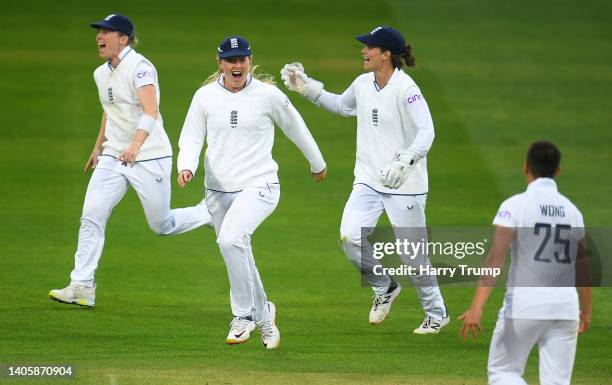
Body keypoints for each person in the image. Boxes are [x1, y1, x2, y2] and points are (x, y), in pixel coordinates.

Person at [281, 26, 448, 333]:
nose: (363, 51)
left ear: (386, 54)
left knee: (413, 256)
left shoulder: (406, 89)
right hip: (369, 180)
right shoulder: (362, 83)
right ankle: (384, 286)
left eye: (369, 47)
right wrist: (307, 88)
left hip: (404, 184)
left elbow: (427, 131)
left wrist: (407, 160)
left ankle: (436, 313)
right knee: (349, 236)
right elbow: (343, 107)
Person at [49, 14, 212, 308]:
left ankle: (207, 214)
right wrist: (98, 147)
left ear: (123, 39)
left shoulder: (140, 68)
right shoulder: (101, 73)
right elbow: (109, 109)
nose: (99, 37)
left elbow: (150, 111)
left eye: (106, 33)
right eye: (99, 32)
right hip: (115, 154)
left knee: (161, 224)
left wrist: (135, 146)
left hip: (150, 155)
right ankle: (82, 285)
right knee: (91, 214)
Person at [176, 35, 327, 349]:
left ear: (249, 61)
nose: (237, 65)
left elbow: (295, 126)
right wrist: (185, 165)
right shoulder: (204, 96)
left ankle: (246, 317)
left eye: (242, 59)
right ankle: (265, 313)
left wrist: (317, 162)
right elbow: (191, 137)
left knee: (230, 240)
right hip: (217, 190)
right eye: (231, 60)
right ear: (220, 63)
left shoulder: (267, 95)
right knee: (238, 250)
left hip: (260, 184)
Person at [459, 141, 592, 385]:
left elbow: (495, 259)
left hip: (524, 306)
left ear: (525, 167)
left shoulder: (514, 206)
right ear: (558, 171)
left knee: (503, 373)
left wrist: (477, 306)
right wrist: (586, 312)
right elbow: (583, 269)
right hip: (565, 309)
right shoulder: (573, 211)